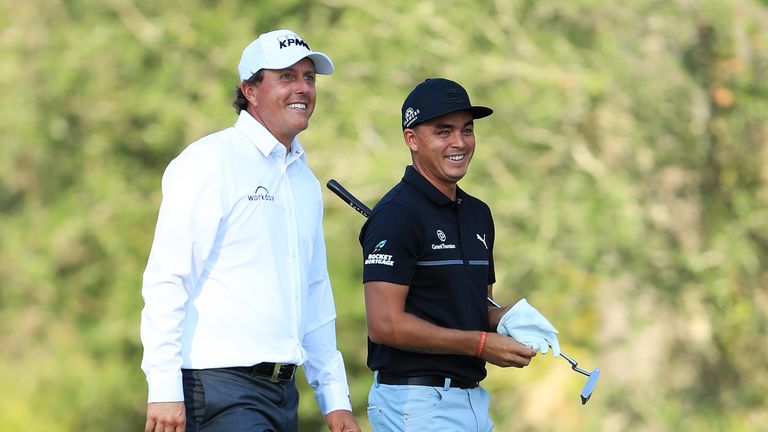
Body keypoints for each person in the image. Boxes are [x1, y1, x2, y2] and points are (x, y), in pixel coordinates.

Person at [140, 29, 360, 432]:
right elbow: (168, 279)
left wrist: (336, 399)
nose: (303, 88)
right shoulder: (210, 162)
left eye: (309, 78)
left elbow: (314, 291)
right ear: (251, 90)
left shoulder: (304, 181)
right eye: (287, 77)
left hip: (282, 393)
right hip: (217, 387)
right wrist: (163, 387)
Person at [358, 78, 560, 431]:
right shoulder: (396, 215)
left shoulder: (477, 213)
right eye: (443, 131)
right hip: (415, 402)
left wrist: (513, 319)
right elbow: (384, 325)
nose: (460, 143)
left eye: (467, 130)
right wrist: (482, 344)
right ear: (411, 139)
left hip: (471, 399)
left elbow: (476, 305)